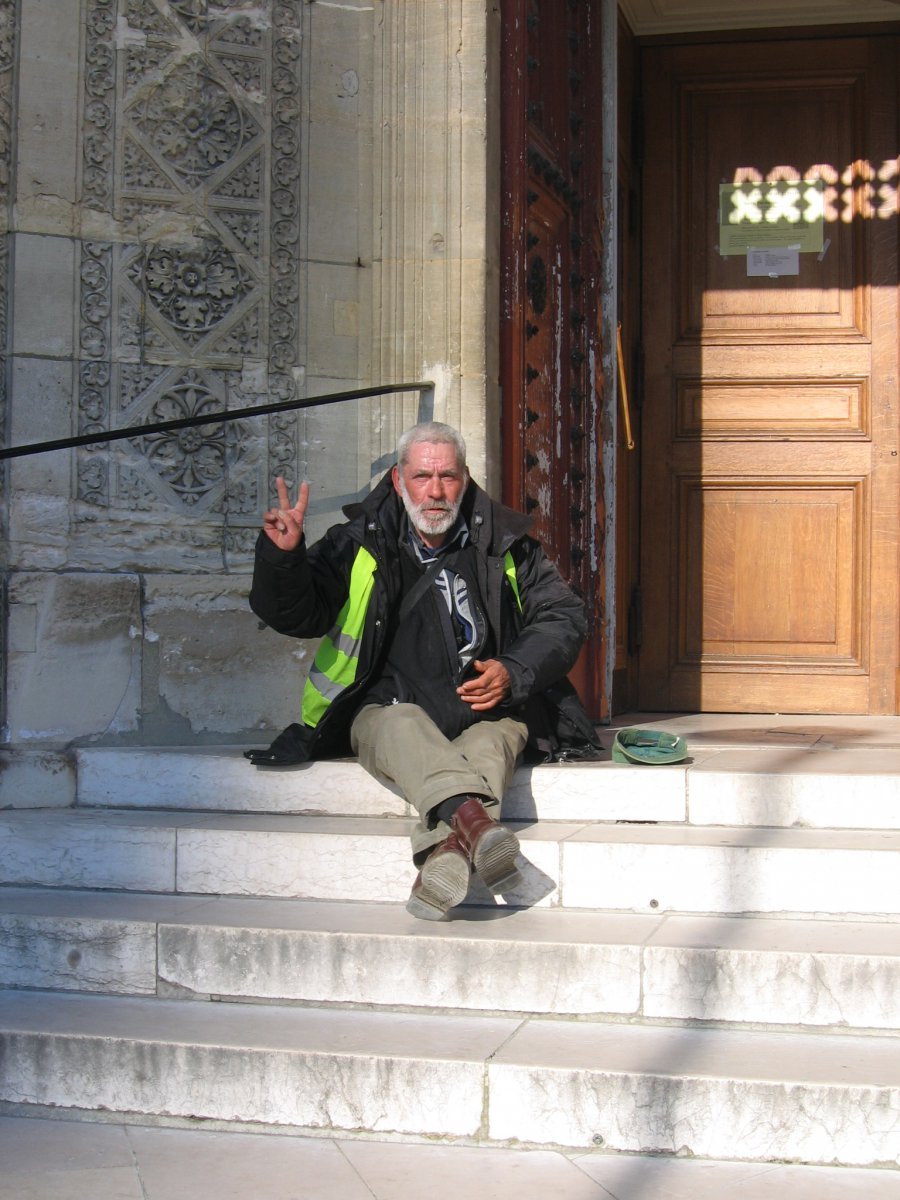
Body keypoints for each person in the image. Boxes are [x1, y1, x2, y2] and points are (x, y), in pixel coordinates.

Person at [247, 421, 600, 920]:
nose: (435, 491)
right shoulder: (356, 543)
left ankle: (447, 852)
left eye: (448, 477)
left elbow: (563, 617)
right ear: (398, 480)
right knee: (401, 722)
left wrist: (513, 669)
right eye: (422, 477)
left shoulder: (508, 543)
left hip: (486, 711)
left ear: (466, 478)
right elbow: (298, 615)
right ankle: (478, 830)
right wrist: (282, 561)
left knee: (492, 741)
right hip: (387, 711)